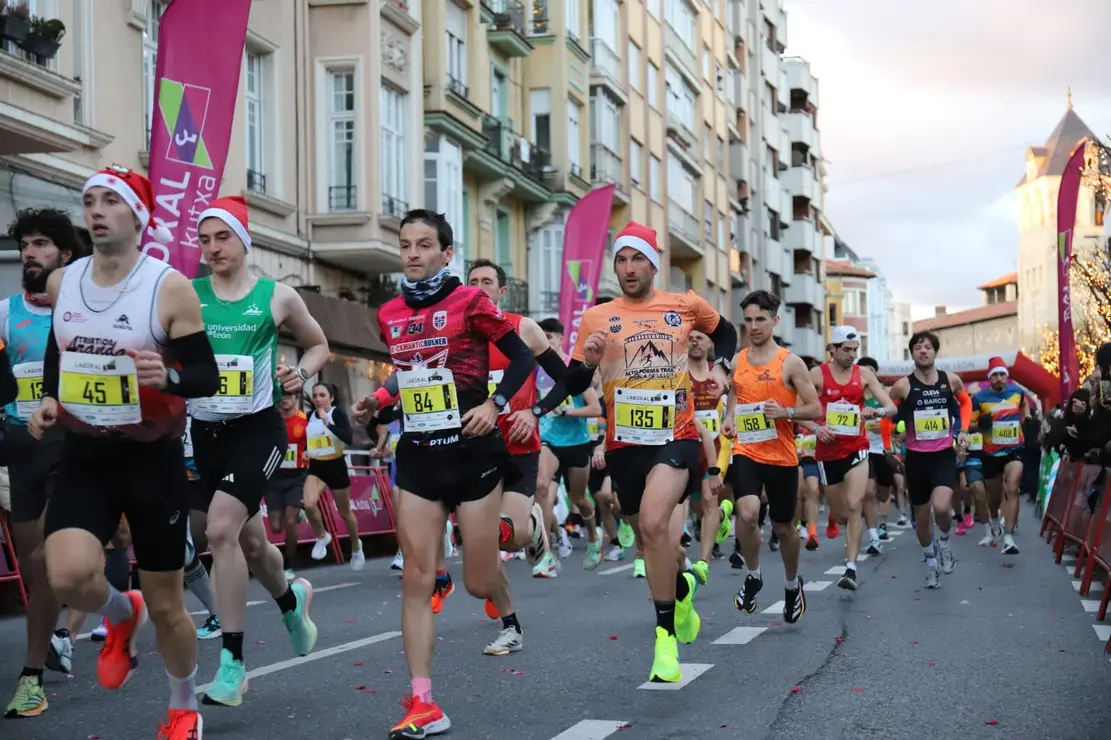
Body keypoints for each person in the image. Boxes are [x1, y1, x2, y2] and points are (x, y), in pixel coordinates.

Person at [28, 165, 220, 738]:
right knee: (65, 576)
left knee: (167, 607)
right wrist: (48, 398)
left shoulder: (167, 286)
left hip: (151, 459)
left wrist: (171, 377)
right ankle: (118, 612)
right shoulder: (64, 281)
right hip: (87, 452)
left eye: (110, 200)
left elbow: (206, 374)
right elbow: (60, 349)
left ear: (137, 215)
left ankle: (183, 705)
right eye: (89, 201)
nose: (96, 210)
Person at [351, 209, 537, 738]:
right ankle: (423, 700)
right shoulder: (389, 313)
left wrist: (496, 404)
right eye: (405, 244)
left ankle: (526, 530)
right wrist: (378, 402)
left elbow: (521, 359)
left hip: (472, 452)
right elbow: (409, 377)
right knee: (415, 576)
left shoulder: (469, 301)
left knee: (479, 582)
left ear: (446, 253)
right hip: (419, 455)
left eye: (424, 244)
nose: (412, 253)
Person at [553, 221, 738, 683]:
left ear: (654, 263)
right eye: (620, 259)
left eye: (637, 258)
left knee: (657, 524)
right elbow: (573, 384)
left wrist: (717, 364)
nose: (628, 268)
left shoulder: (684, 304)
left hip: (675, 436)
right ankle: (682, 591)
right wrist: (589, 362)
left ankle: (664, 639)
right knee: (651, 539)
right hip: (624, 445)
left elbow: (728, 332)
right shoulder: (598, 316)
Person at [190, 196, 328, 707]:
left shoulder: (278, 296)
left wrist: (302, 371)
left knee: (218, 530)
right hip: (204, 433)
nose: (211, 249)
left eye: (221, 237)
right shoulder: (186, 294)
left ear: (244, 241)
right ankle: (292, 600)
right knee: (247, 545)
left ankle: (232, 665)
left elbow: (318, 345)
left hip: (257, 429)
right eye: (204, 240)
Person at [1, 207, 84, 718]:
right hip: (19, 448)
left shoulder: (81, 312)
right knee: (37, 570)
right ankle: (98, 615)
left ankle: (30, 678)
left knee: (54, 558)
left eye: (40, 244)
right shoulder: (4, 313)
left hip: (73, 448)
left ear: (66, 255)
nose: (29, 253)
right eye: (25, 244)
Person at [722, 290, 821, 621]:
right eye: (748, 320)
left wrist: (785, 411)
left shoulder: (790, 362)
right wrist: (728, 419)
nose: (753, 326)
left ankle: (792, 584)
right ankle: (754, 575)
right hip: (747, 449)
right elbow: (734, 395)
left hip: (781, 456)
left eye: (760, 319)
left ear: (775, 321)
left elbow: (815, 407)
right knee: (747, 513)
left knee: (784, 528)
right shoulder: (738, 360)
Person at [804, 329, 896, 591]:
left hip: (857, 448)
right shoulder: (817, 376)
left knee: (855, 504)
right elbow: (798, 410)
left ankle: (851, 568)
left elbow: (891, 406)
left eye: (855, 349)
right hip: (827, 452)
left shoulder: (864, 375)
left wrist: (875, 411)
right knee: (843, 514)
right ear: (832, 349)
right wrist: (816, 428)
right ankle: (836, 517)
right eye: (846, 349)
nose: (852, 354)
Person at [887, 331, 969, 588]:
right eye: (918, 348)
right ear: (912, 354)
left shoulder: (950, 380)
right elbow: (887, 413)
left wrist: (963, 430)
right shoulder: (902, 385)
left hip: (943, 454)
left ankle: (944, 543)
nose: (923, 351)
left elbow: (965, 404)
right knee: (922, 516)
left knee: (942, 507)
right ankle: (931, 563)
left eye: (928, 348)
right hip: (916, 459)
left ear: (935, 352)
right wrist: (891, 440)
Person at [535, 317, 604, 572]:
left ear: (561, 339)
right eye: (542, 337)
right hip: (548, 439)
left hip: (576, 442)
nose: (546, 341)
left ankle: (594, 538)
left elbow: (595, 407)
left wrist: (567, 413)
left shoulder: (573, 369)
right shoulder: (535, 370)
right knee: (542, 489)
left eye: (550, 336)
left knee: (578, 497)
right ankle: (548, 550)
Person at [266, 391, 330, 580]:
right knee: (276, 527)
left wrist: (311, 452)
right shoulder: (271, 420)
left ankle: (288, 565)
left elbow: (320, 443)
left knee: (290, 520)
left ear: (296, 399)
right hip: (274, 476)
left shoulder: (305, 421)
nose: (285, 399)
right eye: (282, 396)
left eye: (289, 396)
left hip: (297, 476)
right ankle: (298, 511)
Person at [970, 357, 1028, 555]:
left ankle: (1009, 537)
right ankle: (995, 521)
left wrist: (1027, 419)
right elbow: (969, 425)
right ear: (989, 378)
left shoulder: (1017, 393)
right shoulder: (978, 398)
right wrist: (980, 424)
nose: (999, 378)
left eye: (1002, 374)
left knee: (1012, 487)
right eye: (994, 375)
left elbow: (1024, 407)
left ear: (1007, 376)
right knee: (993, 500)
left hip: (1014, 449)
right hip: (991, 453)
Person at [303, 381, 360, 569]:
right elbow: (310, 440)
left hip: (336, 466)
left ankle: (355, 547)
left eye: (322, 395)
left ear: (331, 398)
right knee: (309, 504)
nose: (318, 399)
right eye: (315, 395)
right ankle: (322, 536)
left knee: (344, 513)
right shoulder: (310, 416)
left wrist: (328, 422)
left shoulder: (337, 414)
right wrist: (305, 450)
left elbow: (349, 438)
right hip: (317, 467)